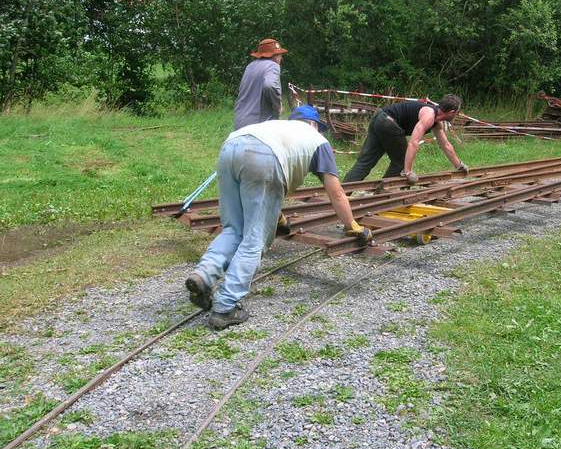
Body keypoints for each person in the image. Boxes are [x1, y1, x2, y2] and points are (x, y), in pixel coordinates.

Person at [186, 105, 373, 330]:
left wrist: (278, 219)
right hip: (263, 156)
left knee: (233, 229)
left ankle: (204, 275)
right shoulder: (318, 141)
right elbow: (336, 193)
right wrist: (352, 225)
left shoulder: (278, 128)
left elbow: (269, 193)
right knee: (254, 239)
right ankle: (225, 306)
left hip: (231, 146)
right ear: (313, 124)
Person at [343, 94, 469, 183]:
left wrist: (459, 165)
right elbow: (413, 143)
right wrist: (408, 171)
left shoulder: (436, 123)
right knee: (401, 162)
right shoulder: (429, 116)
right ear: (451, 112)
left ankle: (342, 194)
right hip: (388, 123)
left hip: (380, 117)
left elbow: (446, 145)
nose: (456, 115)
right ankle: (383, 192)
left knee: (365, 162)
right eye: (457, 113)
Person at [234, 38, 288, 129]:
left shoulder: (250, 66)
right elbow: (270, 85)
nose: (281, 58)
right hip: (258, 125)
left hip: (240, 122)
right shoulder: (273, 66)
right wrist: (278, 107)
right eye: (279, 55)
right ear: (273, 55)